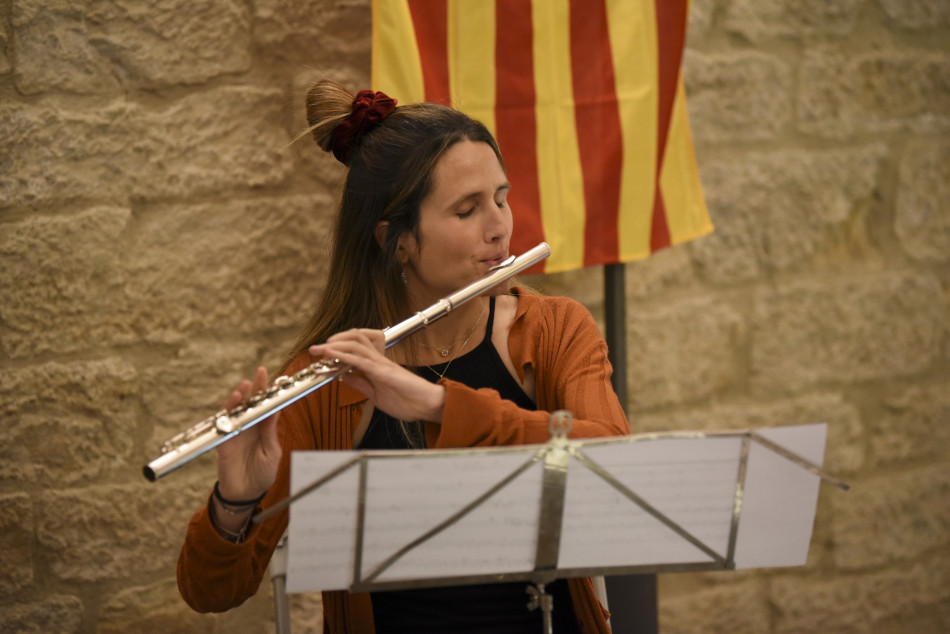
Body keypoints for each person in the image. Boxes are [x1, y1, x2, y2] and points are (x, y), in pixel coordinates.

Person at [177, 78, 631, 633]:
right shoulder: (328, 382)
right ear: (399, 241)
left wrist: (439, 406)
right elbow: (211, 592)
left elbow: (616, 470)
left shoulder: (555, 330)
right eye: (467, 210)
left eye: (501, 198)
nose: (500, 228)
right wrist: (235, 502)